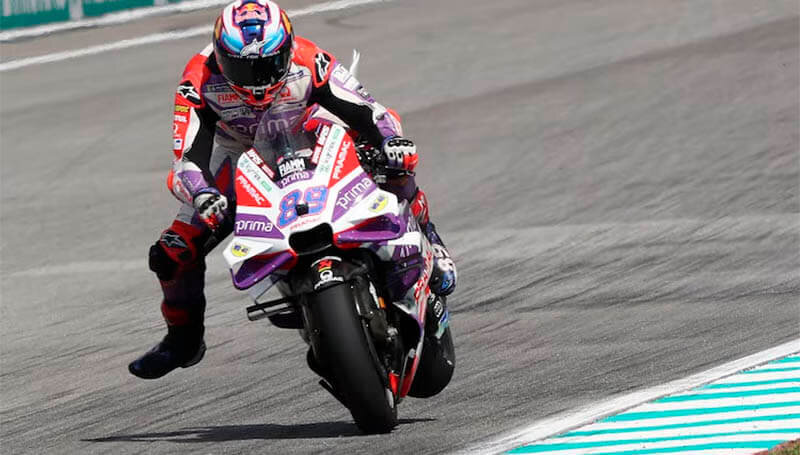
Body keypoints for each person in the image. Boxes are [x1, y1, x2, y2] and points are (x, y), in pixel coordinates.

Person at [129, 0, 457, 379]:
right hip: (240, 155)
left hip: (312, 129)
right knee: (172, 252)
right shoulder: (197, 82)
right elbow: (186, 159)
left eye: (268, 64)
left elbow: (369, 109)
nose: (257, 81)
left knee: (393, 158)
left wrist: (389, 140)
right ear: (220, 57)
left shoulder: (309, 59)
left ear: (286, 49)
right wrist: (202, 193)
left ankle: (430, 239)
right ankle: (183, 341)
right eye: (242, 68)